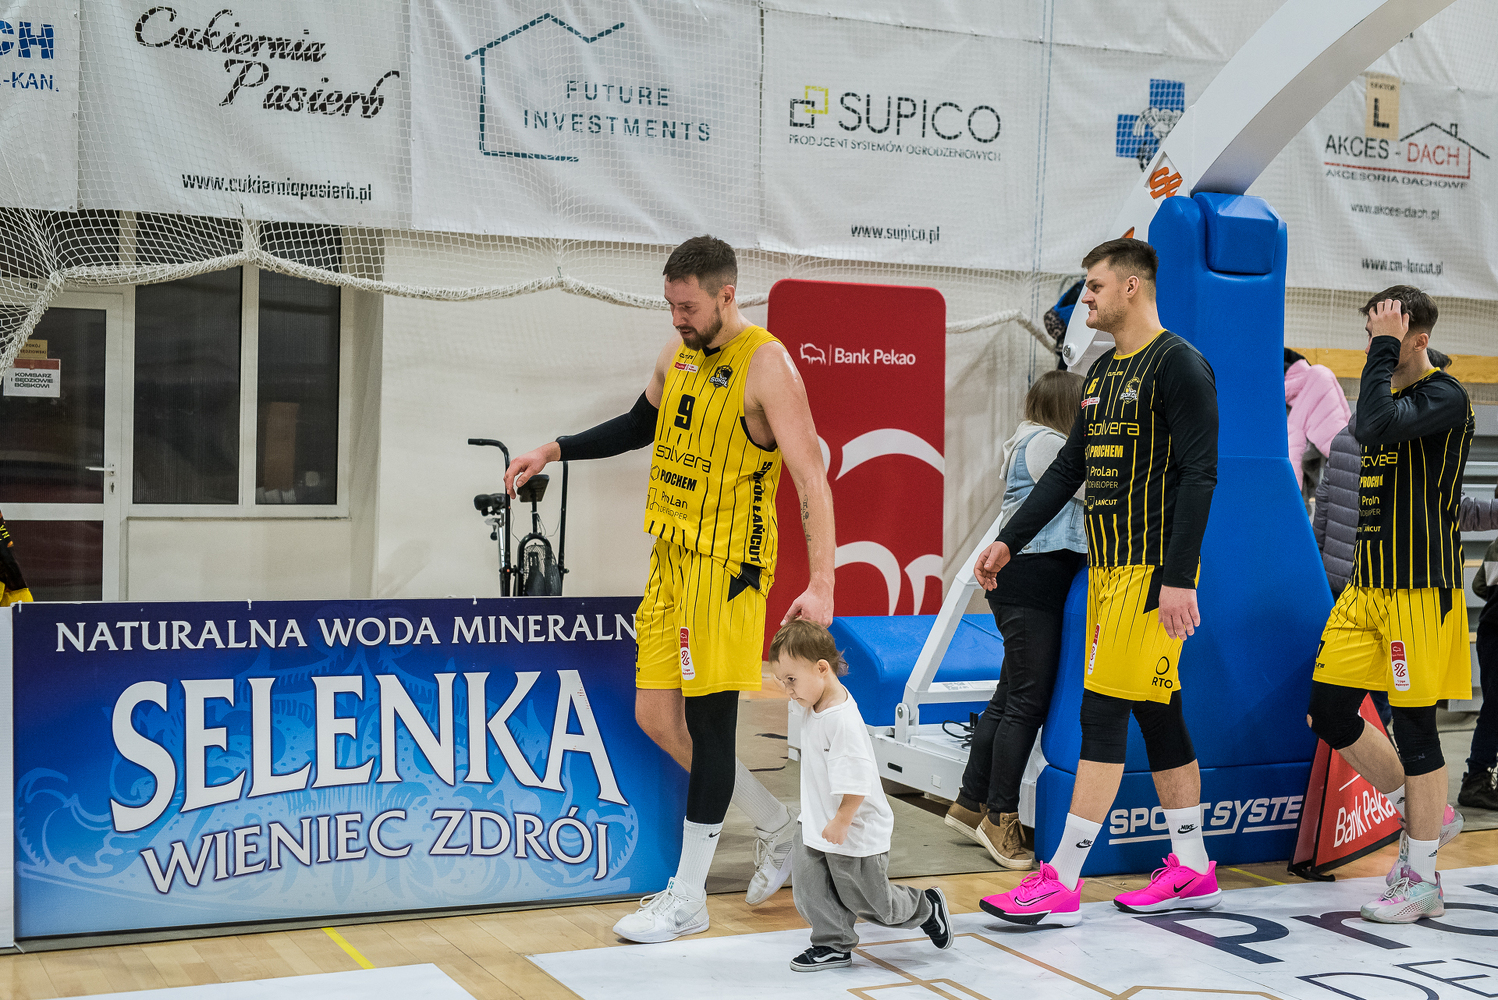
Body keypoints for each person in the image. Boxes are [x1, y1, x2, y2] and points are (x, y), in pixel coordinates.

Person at [505, 236, 837, 943]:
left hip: (728, 570)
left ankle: (688, 898)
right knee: (657, 717)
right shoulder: (676, 354)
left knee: (712, 725)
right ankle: (777, 825)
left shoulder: (768, 366)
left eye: (687, 307)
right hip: (671, 560)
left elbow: (811, 476)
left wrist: (822, 583)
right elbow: (639, 425)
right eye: (670, 306)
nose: (677, 318)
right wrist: (554, 449)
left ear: (726, 295)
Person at [972, 237, 1221, 927]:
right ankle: (1194, 868)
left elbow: (1200, 475)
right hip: (1110, 574)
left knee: (1101, 713)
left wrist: (1178, 578)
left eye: (1094, 286)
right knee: (1158, 714)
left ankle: (1061, 880)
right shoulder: (1104, 372)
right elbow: (1066, 470)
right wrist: (1009, 540)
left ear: (1132, 287)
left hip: (1151, 575)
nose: (1085, 297)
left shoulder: (1180, 365)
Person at [1305, 286, 1472, 923]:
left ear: (1418, 340)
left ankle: (1423, 877)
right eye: (1369, 334)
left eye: (1386, 337)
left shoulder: (1445, 396)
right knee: (1328, 711)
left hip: (1416, 592)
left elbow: (1373, 426)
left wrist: (1380, 350)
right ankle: (1424, 812)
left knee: (1417, 728)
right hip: (1365, 588)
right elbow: (1364, 429)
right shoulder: (1384, 392)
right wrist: (1381, 351)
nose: (1374, 347)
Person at [944, 370, 1087, 869]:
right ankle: (1000, 816)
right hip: (1032, 582)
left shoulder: (1030, 439)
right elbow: (1092, 490)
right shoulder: (1047, 444)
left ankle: (970, 801)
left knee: (1009, 698)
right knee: (1027, 702)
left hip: (1029, 582)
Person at [1314, 348, 1498, 731]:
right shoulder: (1404, 442)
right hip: (1390, 585)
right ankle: (1389, 772)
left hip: (1341, 584)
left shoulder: (1345, 435)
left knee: (1337, 709)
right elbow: (1454, 509)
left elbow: (1324, 508)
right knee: (1395, 710)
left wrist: (1319, 570)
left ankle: (1377, 770)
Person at [769, 618, 953, 972]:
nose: (788, 690)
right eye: (783, 681)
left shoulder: (842, 720)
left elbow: (858, 782)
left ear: (822, 669)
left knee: (872, 902)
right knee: (810, 890)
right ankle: (833, 943)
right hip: (816, 821)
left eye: (791, 680)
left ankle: (926, 906)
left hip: (853, 827)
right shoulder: (812, 701)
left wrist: (842, 820)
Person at [1285, 348, 1350, 511]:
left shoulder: (1311, 381)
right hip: (1340, 450)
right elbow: (1344, 415)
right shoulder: (1320, 374)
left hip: (1323, 452)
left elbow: (1295, 444)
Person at [1465, 533, 1498, 811]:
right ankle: (1476, 778)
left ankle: (1478, 776)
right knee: (1494, 711)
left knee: (1493, 708)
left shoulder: (1496, 544)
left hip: (1491, 632)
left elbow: (1479, 586)